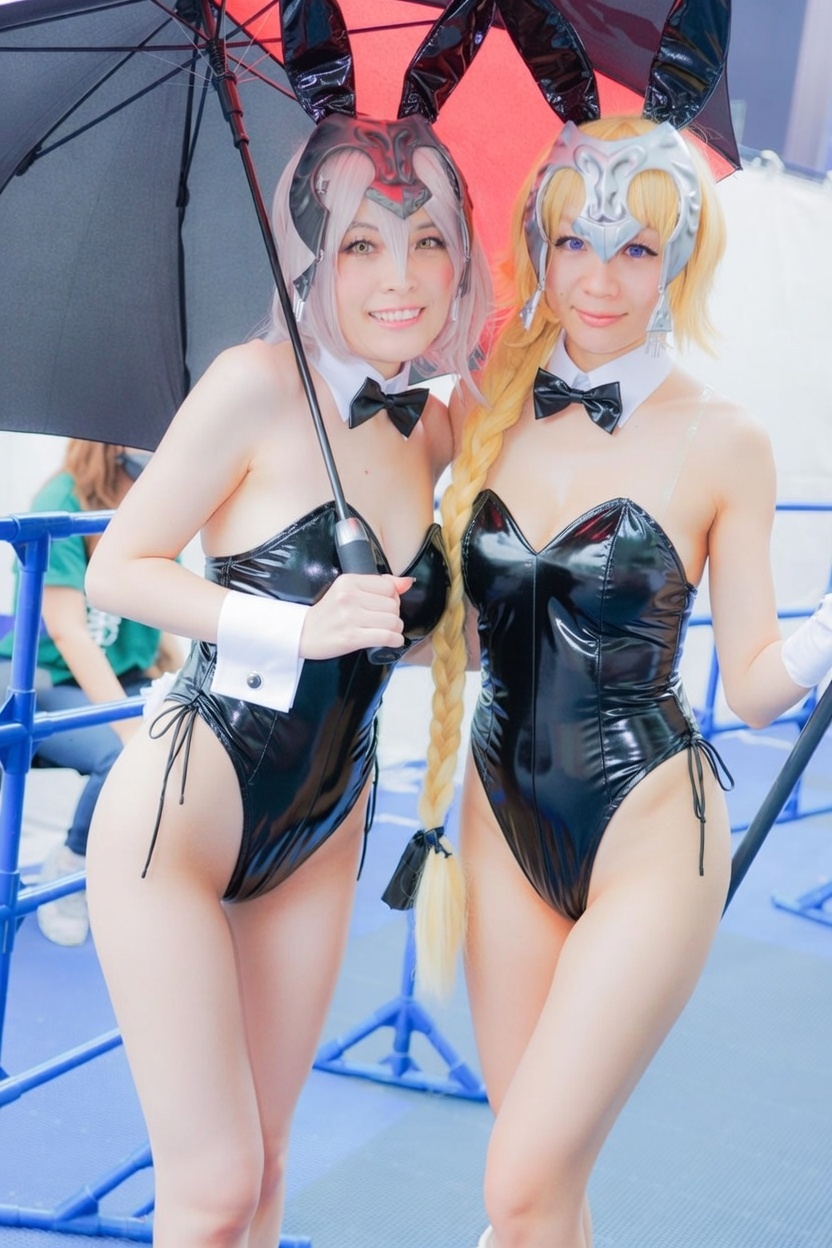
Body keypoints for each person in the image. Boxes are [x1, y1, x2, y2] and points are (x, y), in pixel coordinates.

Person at [81, 9, 492, 1236]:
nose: (398, 276)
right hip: (184, 807)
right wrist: (291, 623)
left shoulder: (436, 425)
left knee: (264, 1171)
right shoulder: (252, 387)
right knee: (208, 1185)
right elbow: (117, 572)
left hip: (326, 816)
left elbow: (447, 602)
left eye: (427, 240)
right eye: (361, 243)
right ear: (311, 252)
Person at [402, 110, 832, 1248]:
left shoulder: (724, 439)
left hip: (651, 831)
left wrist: (829, 631)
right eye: (574, 242)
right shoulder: (479, 406)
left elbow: (753, 687)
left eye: (635, 247)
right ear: (536, 248)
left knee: (515, 1185)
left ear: (679, 257)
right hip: (499, 819)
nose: (599, 278)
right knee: (543, 1195)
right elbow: (436, 615)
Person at [0, 438, 181, 946]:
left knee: (192, 740)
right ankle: (71, 865)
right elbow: (68, 633)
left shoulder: (156, 501)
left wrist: (183, 686)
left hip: (121, 672)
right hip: (46, 679)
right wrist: (129, 729)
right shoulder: (62, 499)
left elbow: (159, 600)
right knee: (128, 753)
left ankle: (145, 876)